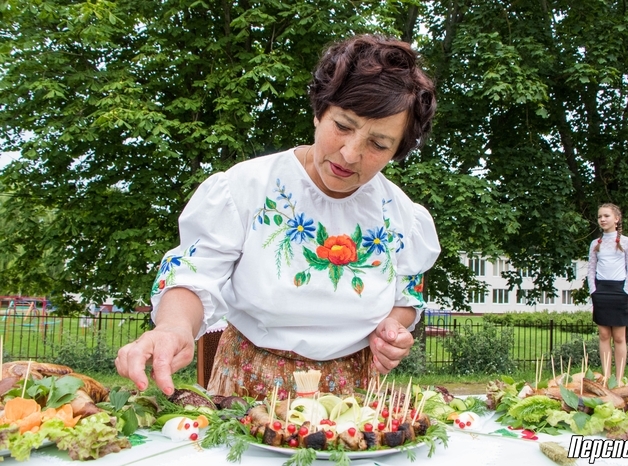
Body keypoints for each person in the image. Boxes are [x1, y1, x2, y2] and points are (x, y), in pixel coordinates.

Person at [115, 34, 440, 399]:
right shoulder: (246, 188)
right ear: (320, 110)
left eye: (378, 144)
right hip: (247, 384)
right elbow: (194, 274)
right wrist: (173, 328)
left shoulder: (403, 218)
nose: (350, 154)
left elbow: (407, 297)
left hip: (355, 394)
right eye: (343, 126)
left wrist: (393, 329)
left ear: (398, 150)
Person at [587, 203, 628, 385]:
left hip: (619, 290)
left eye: (606, 216)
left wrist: (626, 291)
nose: (602, 219)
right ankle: (607, 377)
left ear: (616, 219)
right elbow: (591, 270)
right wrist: (594, 291)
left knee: (619, 337)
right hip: (601, 291)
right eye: (600, 216)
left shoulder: (626, 242)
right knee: (604, 335)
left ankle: (619, 377)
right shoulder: (595, 244)